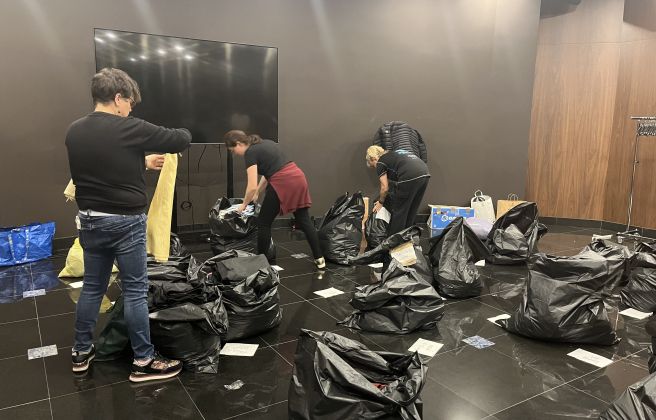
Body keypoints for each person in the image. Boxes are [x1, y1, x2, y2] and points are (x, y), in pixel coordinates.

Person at [65, 68, 191, 382]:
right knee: (135, 290)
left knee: (93, 287)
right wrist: (185, 125)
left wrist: (142, 161)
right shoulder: (130, 128)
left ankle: (81, 353)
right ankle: (143, 361)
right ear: (118, 97)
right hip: (126, 223)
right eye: (130, 102)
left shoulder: (75, 131)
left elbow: (103, 164)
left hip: (90, 221)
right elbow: (180, 138)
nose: (130, 109)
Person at [224, 130, 325, 269]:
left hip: (283, 182)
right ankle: (319, 259)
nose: (235, 153)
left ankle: (261, 263)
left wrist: (244, 204)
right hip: (298, 177)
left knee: (263, 223)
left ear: (239, 143)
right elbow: (268, 173)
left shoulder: (250, 153)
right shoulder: (266, 143)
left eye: (233, 150)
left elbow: (251, 186)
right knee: (304, 219)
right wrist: (258, 192)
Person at [366, 146, 430, 235]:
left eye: (373, 166)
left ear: (373, 159)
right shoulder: (393, 154)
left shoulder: (380, 162)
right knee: (412, 209)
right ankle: (408, 237)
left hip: (410, 175)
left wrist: (380, 202)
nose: (375, 168)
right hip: (425, 173)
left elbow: (384, 188)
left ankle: (395, 240)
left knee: (400, 211)